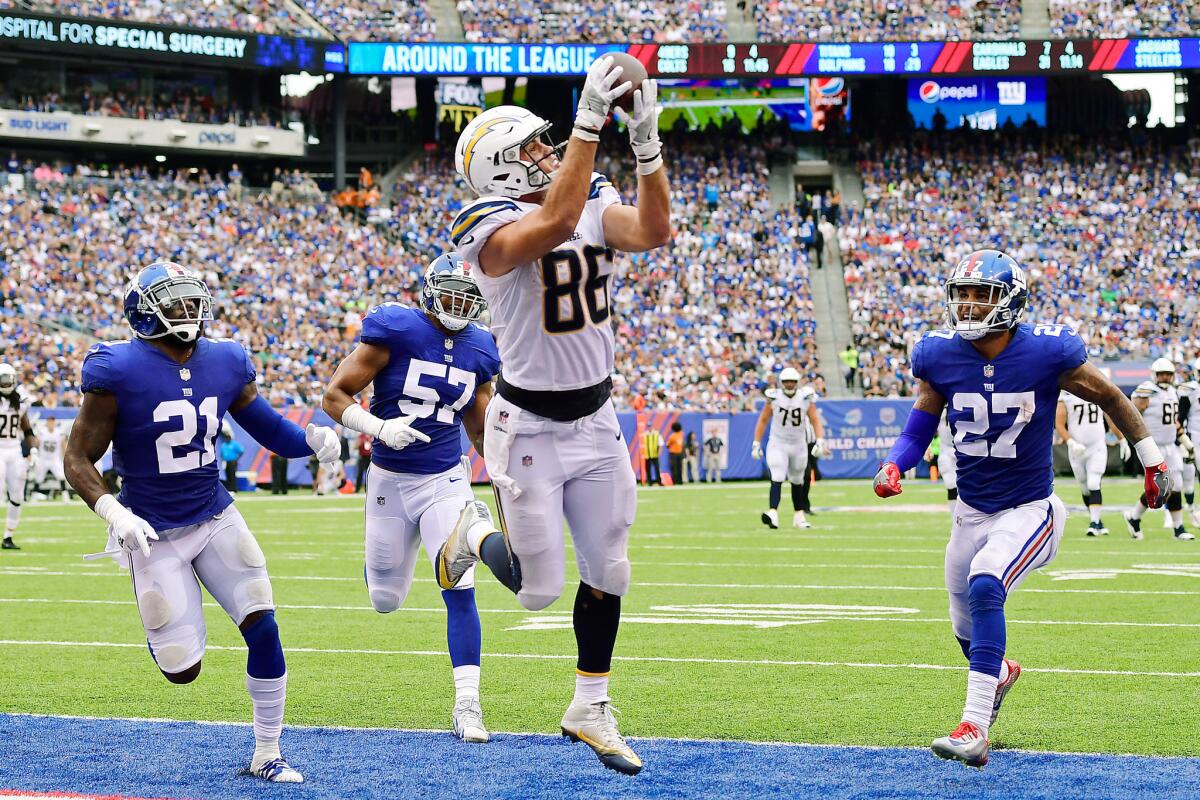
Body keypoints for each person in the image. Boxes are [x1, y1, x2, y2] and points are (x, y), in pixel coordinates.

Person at [435, 56, 671, 775]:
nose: (547, 152)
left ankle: (590, 705)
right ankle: (471, 535)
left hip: (597, 418)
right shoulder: (485, 224)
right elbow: (557, 219)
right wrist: (590, 122)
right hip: (527, 425)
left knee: (611, 569)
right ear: (501, 170)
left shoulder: (585, 195)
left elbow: (654, 230)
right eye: (532, 147)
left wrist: (648, 140)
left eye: (548, 143)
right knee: (537, 590)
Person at [873, 249, 1170, 768]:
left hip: (1031, 508)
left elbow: (1111, 398)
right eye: (961, 295)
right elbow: (922, 418)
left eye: (979, 295)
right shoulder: (938, 354)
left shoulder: (1047, 352)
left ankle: (973, 726)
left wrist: (1151, 459)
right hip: (970, 511)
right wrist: (897, 463)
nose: (967, 306)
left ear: (1010, 301)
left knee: (987, 582)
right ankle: (1000, 673)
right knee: (964, 625)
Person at [63, 262, 341, 783]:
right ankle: (171, 609)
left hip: (214, 514)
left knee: (264, 624)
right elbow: (77, 457)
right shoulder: (116, 367)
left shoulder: (227, 359)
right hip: (148, 530)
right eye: (175, 302)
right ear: (144, 312)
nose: (188, 311)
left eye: (193, 300)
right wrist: (113, 512)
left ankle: (268, 752)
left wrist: (311, 440)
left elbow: (267, 427)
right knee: (181, 670)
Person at [323, 253, 500, 743]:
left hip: (445, 477)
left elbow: (479, 425)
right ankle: (385, 558)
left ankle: (468, 703)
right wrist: (378, 427)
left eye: (468, 299)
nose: (458, 306)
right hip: (389, 480)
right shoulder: (396, 329)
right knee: (384, 598)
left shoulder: (482, 348)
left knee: (459, 586)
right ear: (429, 291)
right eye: (450, 294)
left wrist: (507, 474)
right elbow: (334, 396)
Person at [1125, 359, 1193, 540]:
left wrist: (1184, 440)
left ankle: (1178, 528)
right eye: (1161, 374)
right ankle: (1134, 517)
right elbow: (1131, 416)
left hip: (1170, 445)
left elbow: (1173, 421)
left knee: (1176, 485)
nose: (1164, 377)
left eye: (1168, 374)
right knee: (1159, 487)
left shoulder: (1173, 391)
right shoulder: (1146, 391)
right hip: (1152, 446)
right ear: (1154, 374)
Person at [752, 367, 825, 530]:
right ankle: (773, 513)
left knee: (797, 479)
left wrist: (820, 440)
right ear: (781, 383)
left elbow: (815, 418)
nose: (790, 385)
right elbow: (763, 419)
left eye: (792, 381)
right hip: (778, 442)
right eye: (787, 382)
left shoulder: (805, 397)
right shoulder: (774, 397)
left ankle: (799, 516)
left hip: (799, 443)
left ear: (797, 382)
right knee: (777, 474)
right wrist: (756, 442)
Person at [1056, 390, 1129, 535]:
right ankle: (1097, 521)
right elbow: (1059, 424)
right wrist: (1070, 442)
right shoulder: (1066, 398)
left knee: (1093, 483)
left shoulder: (1098, 394)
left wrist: (1122, 439)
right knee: (1084, 487)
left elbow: (1110, 419)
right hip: (1077, 449)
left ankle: (1094, 523)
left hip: (1097, 446)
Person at [0, 363, 38, 549]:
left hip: (14, 449)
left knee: (17, 494)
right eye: (3, 379)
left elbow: (27, 428)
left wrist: (33, 450)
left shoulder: (20, 400)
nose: (6, 383)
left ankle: (8, 537)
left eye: (9, 379)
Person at [1178, 359, 1200, 527]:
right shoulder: (1190, 389)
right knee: (1187, 479)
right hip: (1194, 437)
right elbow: (1180, 417)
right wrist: (1182, 439)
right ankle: (1191, 510)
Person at [30, 416, 69, 501]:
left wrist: (65, 456)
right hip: (43, 458)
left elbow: (63, 444)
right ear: (47, 423)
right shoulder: (42, 432)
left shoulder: (59, 432)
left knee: (61, 476)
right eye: (49, 422)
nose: (51, 424)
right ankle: (33, 496)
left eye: (52, 422)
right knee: (38, 478)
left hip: (54, 459)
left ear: (54, 423)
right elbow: (36, 443)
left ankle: (65, 496)